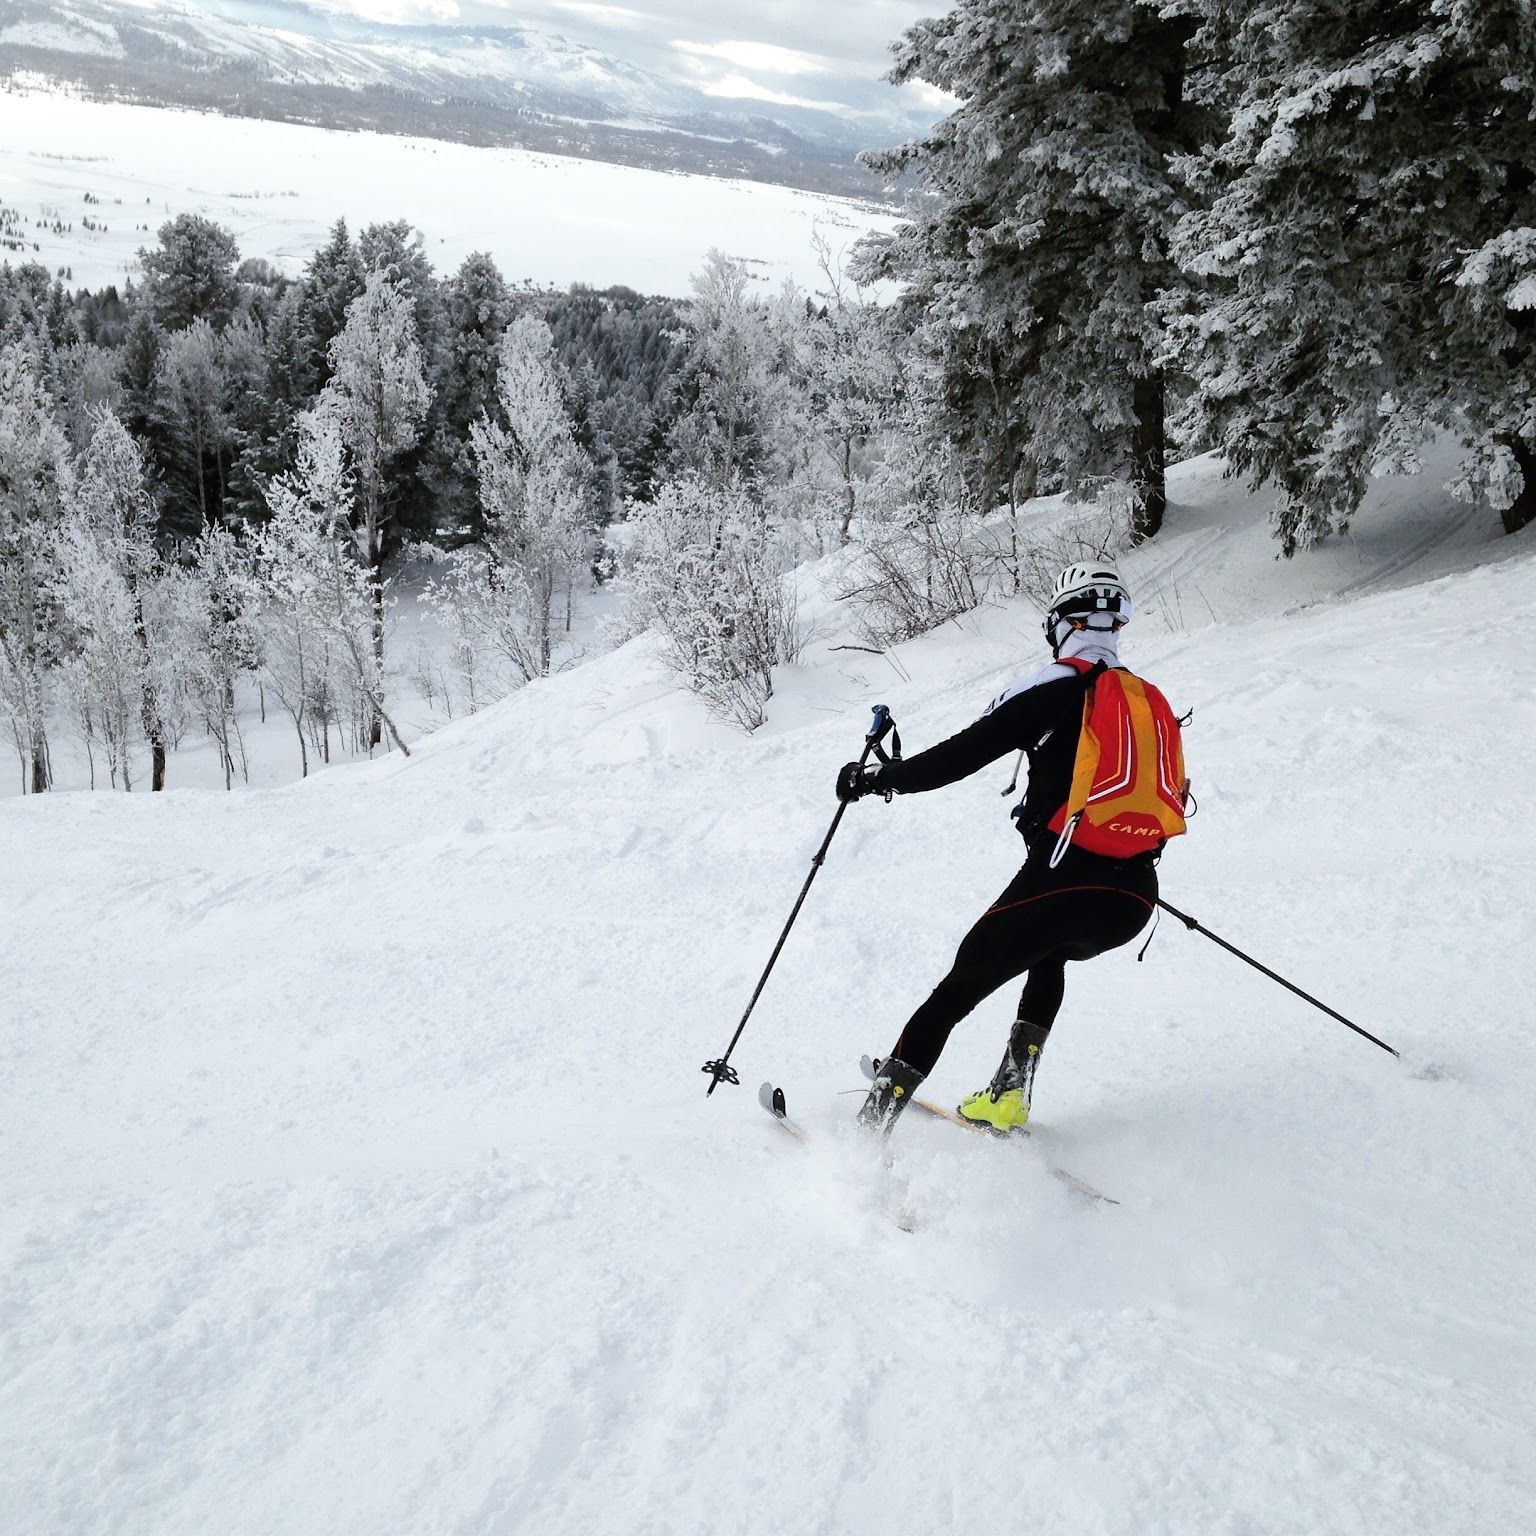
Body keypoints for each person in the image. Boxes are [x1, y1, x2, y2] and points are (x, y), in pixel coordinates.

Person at [836, 562, 1188, 1137]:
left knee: (958, 988)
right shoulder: (1149, 701)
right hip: (1134, 897)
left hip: (1062, 884)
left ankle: (868, 1129)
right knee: (1046, 955)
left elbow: (960, 756)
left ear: (1060, 624)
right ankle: (1008, 1096)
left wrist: (877, 779)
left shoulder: (1051, 686)